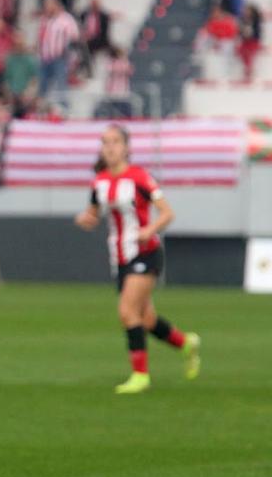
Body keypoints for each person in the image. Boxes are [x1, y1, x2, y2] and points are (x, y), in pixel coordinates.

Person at [74, 125, 200, 393]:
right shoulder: (99, 181)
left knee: (127, 312)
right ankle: (186, 343)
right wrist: (86, 219)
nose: (110, 147)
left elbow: (167, 213)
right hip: (119, 257)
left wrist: (149, 230)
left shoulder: (140, 177)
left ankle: (140, 376)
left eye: (116, 141)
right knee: (147, 319)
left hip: (145, 252)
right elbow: (93, 213)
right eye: (105, 142)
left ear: (126, 147)